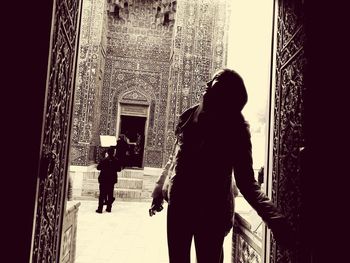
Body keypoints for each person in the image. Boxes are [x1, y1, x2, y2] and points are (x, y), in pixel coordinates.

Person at [150, 68, 296, 263]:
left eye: (215, 85)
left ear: (226, 98)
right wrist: (160, 188)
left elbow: (246, 183)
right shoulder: (190, 116)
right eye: (211, 82)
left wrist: (274, 218)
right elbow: (175, 157)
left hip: (211, 210)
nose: (207, 87)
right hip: (180, 204)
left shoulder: (236, 128)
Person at [96, 147, 120, 213]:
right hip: (111, 180)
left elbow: (98, 168)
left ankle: (100, 209)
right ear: (114, 153)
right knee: (110, 194)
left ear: (107, 153)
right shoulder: (116, 160)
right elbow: (119, 169)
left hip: (103, 179)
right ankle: (109, 208)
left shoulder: (104, 160)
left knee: (102, 194)